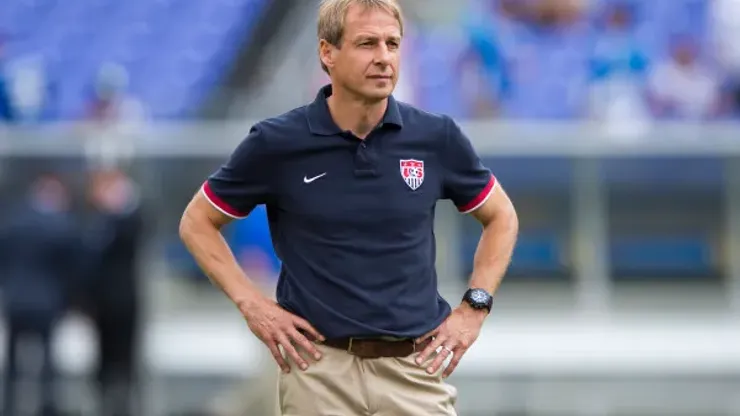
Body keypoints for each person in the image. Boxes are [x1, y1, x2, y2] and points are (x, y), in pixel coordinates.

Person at [178, 0, 519, 414]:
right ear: (328, 52)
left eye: (392, 44)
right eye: (367, 43)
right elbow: (197, 222)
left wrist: (474, 308)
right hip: (318, 372)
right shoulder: (276, 143)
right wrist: (252, 304)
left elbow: (501, 216)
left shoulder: (436, 137)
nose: (384, 57)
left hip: (413, 371)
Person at [0, 173, 81, 416]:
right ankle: (47, 407)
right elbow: (73, 265)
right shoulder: (60, 226)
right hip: (47, 301)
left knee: (13, 359)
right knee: (47, 359)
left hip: (16, 300)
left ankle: (9, 406)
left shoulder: (14, 221)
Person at [83, 168, 144, 416]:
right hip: (102, 301)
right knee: (103, 355)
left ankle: (124, 403)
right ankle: (105, 402)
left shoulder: (128, 219)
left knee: (125, 354)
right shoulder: (96, 220)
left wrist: (117, 209)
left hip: (124, 300)